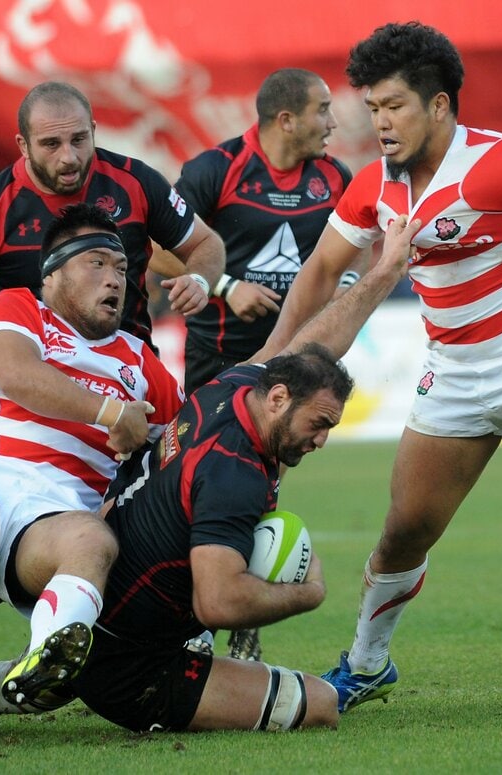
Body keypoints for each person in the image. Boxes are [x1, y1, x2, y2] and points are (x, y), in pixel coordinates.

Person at [254, 21, 502, 714]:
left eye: (394, 107)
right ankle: (367, 662)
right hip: (453, 373)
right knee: (401, 533)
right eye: (372, 109)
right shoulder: (372, 190)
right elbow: (320, 273)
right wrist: (270, 361)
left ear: (438, 105)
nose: (379, 123)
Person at [0, 215, 424, 736]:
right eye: (317, 426)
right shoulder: (234, 473)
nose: (320, 441)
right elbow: (219, 600)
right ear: (278, 400)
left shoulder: (228, 393)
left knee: (40, 653)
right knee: (320, 705)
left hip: (99, 606)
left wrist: (385, 273)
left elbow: (308, 345)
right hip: (134, 659)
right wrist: (309, 593)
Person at [0, 202, 185, 739]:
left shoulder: (143, 363)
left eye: (121, 269)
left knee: (94, 541)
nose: (115, 279)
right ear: (53, 272)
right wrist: (109, 412)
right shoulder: (17, 309)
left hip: (50, 524)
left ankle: (42, 667)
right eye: (97, 263)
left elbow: (186, 446)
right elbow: (15, 372)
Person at [0, 80, 224, 462]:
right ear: (22, 145)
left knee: (196, 479)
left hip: (129, 383)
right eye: (51, 145)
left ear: (94, 131)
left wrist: (200, 278)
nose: (68, 157)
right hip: (34, 400)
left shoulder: (135, 181)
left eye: (79, 140)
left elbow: (206, 243)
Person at [173, 67, 352, 661]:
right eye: (323, 110)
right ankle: (192, 620)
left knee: (263, 488)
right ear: (286, 120)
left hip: (288, 366)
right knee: (198, 486)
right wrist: (225, 285)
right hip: (216, 356)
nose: (333, 121)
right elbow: (153, 245)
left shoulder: (334, 179)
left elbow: (352, 250)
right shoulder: (214, 171)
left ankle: (246, 625)